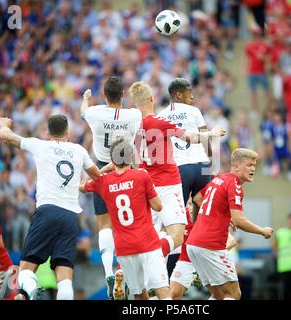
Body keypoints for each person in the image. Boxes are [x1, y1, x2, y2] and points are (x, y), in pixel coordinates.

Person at [0, 113, 100, 300]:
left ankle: (32, 288)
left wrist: (3, 124)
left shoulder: (40, 145)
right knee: (65, 276)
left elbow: (5, 136)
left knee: (26, 269)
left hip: (47, 212)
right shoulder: (79, 150)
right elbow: (97, 176)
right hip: (70, 217)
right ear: (67, 133)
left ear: (48, 133)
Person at [128, 81, 226, 260]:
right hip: (187, 172)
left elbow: (132, 157)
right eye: (190, 92)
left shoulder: (149, 119)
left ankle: (157, 263)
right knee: (201, 210)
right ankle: (199, 252)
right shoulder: (183, 114)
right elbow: (196, 138)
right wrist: (212, 147)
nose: (193, 96)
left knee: (162, 226)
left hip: (160, 177)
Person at [80, 138, 171, 300]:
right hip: (147, 242)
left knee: (138, 295)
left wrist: (105, 170)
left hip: (124, 248)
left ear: (113, 159)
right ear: (130, 158)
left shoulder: (104, 182)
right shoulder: (141, 175)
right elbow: (158, 206)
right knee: (163, 292)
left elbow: (82, 186)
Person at [80, 76, 142, 300]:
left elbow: (82, 112)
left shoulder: (95, 112)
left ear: (104, 95)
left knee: (104, 224)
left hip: (102, 172)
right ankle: (124, 271)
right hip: (127, 169)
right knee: (129, 223)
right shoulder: (133, 115)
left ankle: (108, 271)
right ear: (123, 95)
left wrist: (86, 98)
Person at [186, 148, 274, 299]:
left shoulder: (219, 179)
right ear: (236, 166)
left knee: (219, 295)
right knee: (234, 294)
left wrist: (222, 216)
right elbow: (240, 221)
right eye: (248, 165)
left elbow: (197, 198)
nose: (252, 168)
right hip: (210, 246)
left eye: (254, 165)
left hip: (194, 245)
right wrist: (262, 231)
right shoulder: (234, 185)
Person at [157, 78, 213, 276]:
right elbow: (205, 136)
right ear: (178, 94)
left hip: (179, 170)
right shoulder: (195, 112)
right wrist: (210, 160)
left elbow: (158, 150)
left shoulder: (161, 115)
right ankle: (198, 263)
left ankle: (165, 270)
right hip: (201, 166)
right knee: (205, 212)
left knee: (174, 221)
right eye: (189, 92)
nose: (193, 95)